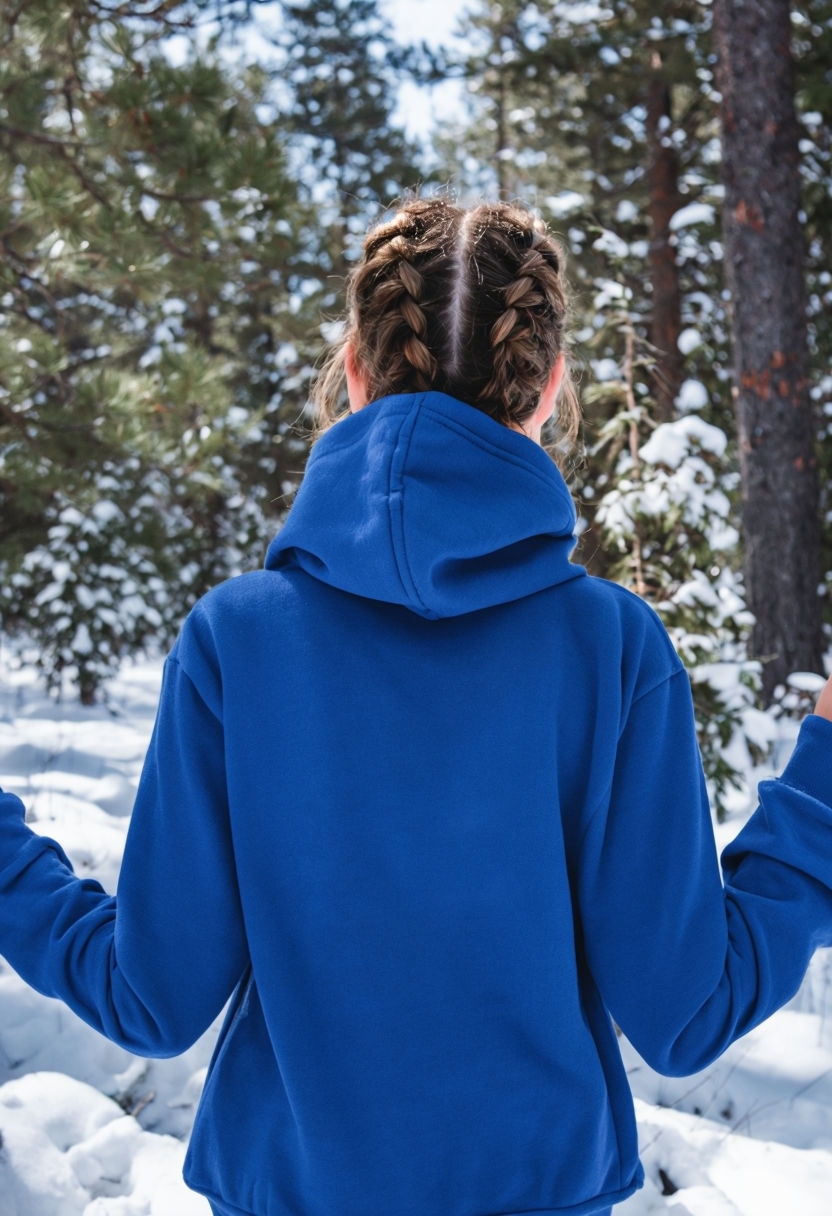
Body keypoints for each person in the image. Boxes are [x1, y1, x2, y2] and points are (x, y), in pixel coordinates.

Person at [1, 196, 832, 1216]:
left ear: (354, 369)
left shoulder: (237, 640)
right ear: (550, 388)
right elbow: (685, 1009)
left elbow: (151, 996)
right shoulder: (610, 647)